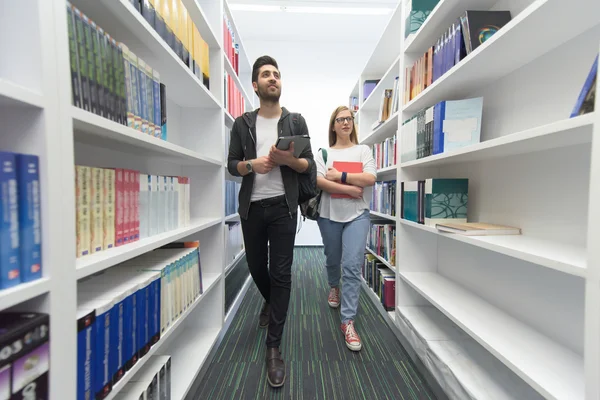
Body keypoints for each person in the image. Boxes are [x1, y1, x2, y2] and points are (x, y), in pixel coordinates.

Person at [227, 55, 314, 387]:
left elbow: (309, 167)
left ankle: (274, 347)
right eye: (266, 74)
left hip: (283, 208)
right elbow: (231, 165)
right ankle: (271, 301)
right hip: (252, 207)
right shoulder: (242, 123)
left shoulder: (295, 121)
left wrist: (290, 160)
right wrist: (254, 166)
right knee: (255, 266)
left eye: (276, 74)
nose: (272, 78)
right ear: (255, 84)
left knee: (281, 273)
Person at [315, 105, 376, 351]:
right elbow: (318, 181)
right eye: (340, 119)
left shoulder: (363, 150)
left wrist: (339, 176)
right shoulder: (324, 152)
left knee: (352, 266)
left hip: (357, 215)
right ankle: (333, 285)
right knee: (333, 258)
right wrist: (351, 188)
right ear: (333, 125)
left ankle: (347, 321)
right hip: (328, 215)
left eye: (349, 119)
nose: (345, 123)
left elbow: (370, 178)